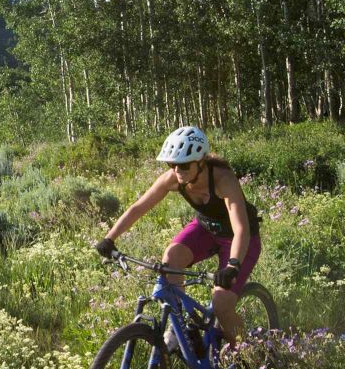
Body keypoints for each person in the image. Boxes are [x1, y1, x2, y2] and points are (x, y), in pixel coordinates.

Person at [93, 125, 260, 346]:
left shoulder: (223, 179)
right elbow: (138, 207)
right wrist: (110, 238)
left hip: (239, 238)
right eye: (172, 165)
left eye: (183, 165)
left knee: (221, 303)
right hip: (206, 229)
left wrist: (233, 266)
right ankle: (180, 327)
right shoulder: (173, 178)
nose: (177, 171)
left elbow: (241, 229)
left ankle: (250, 353)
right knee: (170, 259)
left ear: (201, 162)